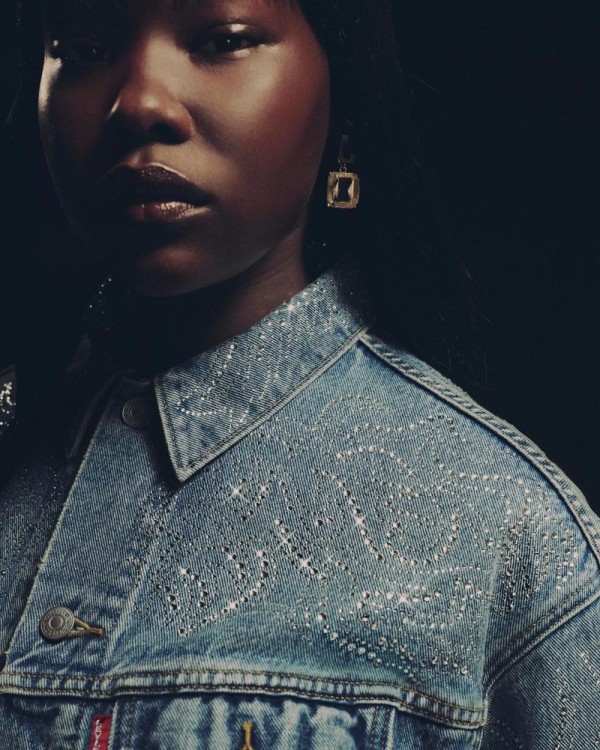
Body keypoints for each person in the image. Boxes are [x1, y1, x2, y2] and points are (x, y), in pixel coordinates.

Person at [0, 0, 598, 748]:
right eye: (84, 49)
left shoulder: (511, 540)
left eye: (223, 41)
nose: (140, 103)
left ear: (342, 97)